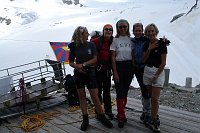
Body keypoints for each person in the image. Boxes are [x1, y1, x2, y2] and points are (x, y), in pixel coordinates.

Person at [68, 26, 113, 131]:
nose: (88, 34)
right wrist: (78, 67)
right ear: (81, 35)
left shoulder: (91, 44)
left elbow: (95, 59)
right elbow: (70, 62)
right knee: (82, 98)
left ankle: (102, 116)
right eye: (86, 33)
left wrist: (83, 65)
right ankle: (85, 119)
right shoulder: (74, 46)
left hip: (90, 73)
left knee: (95, 97)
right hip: (79, 75)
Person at [142, 23, 169, 132]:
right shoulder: (146, 44)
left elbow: (163, 63)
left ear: (156, 32)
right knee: (151, 97)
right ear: (146, 33)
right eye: (148, 31)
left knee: (154, 99)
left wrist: (156, 75)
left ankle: (153, 119)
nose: (150, 33)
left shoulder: (162, 44)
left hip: (157, 72)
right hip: (147, 71)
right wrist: (149, 48)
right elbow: (143, 60)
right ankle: (154, 115)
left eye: (152, 31)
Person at [110, 19, 134, 128]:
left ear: (128, 27)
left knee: (125, 92)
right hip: (118, 66)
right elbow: (113, 57)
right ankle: (120, 116)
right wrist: (114, 72)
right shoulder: (115, 40)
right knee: (120, 92)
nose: (123, 29)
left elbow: (133, 55)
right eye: (120, 27)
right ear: (117, 28)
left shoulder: (131, 40)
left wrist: (133, 70)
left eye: (125, 27)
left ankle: (122, 113)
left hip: (129, 66)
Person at [91, 24, 114, 118]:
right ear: (103, 31)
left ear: (112, 31)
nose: (108, 31)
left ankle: (107, 111)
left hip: (107, 71)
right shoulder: (96, 41)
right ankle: (99, 111)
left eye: (110, 29)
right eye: (106, 29)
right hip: (98, 70)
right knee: (98, 91)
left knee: (107, 91)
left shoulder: (113, 41)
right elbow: (88, 45)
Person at [131, 23, 150, 124]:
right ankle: (145, 111)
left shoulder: (147, 40)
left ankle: (149, 113)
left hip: (145, 68)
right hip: (137, 68)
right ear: (133, 31)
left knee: (147, 91)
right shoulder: (132, 40)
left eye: (139, 30)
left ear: (142, 31)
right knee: (143, 90)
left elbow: (157, 41)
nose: (138, 32)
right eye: (136, 31)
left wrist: (164, 41)